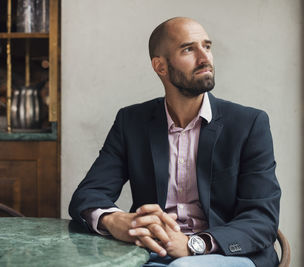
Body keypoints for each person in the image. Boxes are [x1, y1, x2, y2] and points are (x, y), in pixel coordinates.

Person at [68, 17, 280, 267]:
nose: (205, 58)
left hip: (229, 255)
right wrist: (115, 221)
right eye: (189, 49)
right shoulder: (132, 122)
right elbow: (88, 194)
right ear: (160, 66)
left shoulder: (248, 123)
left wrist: (194, 244)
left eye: (207, 47)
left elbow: (262, 218)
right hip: (153, 254)